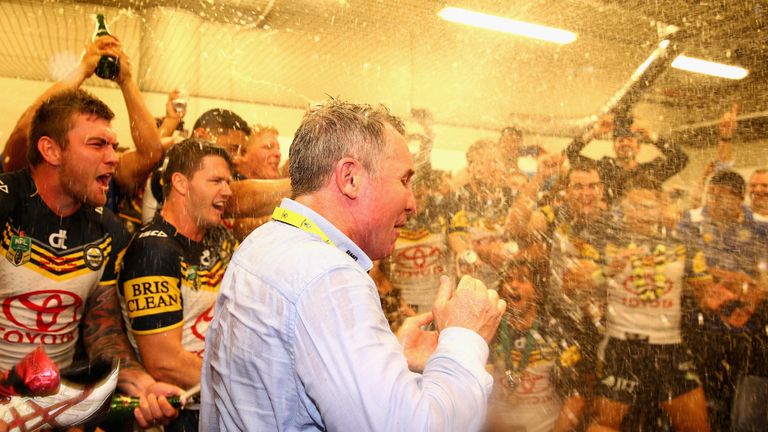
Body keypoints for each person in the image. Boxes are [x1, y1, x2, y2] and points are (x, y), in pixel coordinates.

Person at [200, 100, 506, 431]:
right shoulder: (328, 278)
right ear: (350, 178)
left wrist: (390, 358)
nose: (412, 203)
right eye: (404, 181)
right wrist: (464, 339)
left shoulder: (262, 244)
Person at [0, 88, 178, 428]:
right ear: (51, 150)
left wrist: (142, 383)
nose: (113, 157)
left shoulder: (108, 230)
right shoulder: (7, 204)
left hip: (55, 409)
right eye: (98, 144)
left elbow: (103, 332)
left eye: (113, 145)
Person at [118, 139, 236, 431]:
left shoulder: (218, 236)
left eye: (229, 181)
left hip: (215, 402)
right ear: (181, 184)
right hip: (179, 413)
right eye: (216, 180)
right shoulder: (154, 250)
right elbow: (164, 361)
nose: (228, 191)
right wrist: (243, 387)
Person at [589, 178, 710, 432]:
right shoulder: (607, 237)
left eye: (648, 207)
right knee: (605, 425)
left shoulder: (682, 242)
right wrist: (606, 270)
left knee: (697, 428)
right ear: (624, 207)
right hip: (622, 348)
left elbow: (705, 291)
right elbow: (574, 283)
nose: (641, 214)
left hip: (670, 348)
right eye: (634, 206)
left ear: (662, 207)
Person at [678, 170, 768, 431]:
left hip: (747, 330)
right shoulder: (691, 224)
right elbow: (684, 269)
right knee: (704, 400)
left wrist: (752, 292)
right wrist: (726, 279)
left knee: (743, 403)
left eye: (721, 197)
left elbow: (763, 278)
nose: (713, 203)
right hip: (702, 329)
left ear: (740, 198)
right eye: (711, 195)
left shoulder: (761, 229)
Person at [486, 260, 587, 432]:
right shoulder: (491, 327)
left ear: (537, 292)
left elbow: (576, 398)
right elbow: (481, 393)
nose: (513, 285)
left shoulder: (557, 329)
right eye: (509, 279)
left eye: (522, 279)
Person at [565, 113, 688, 203]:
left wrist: (651, 135)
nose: (625, 143)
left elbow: (681, 159)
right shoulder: (602, 168)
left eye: (630, 140)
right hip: (607, 227)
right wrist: (594, 132)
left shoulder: (650, 172)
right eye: (620, 140)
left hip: (640, 227)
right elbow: (571, 153)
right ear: (614, 147)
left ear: (638, 148)